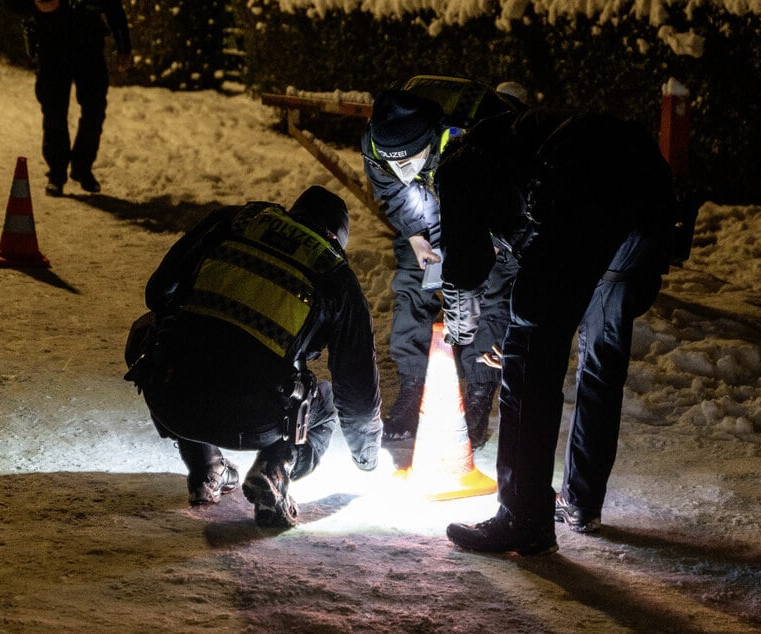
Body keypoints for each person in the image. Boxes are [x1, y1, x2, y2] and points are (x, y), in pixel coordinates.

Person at [435, 107, 676, 554]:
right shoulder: (519, 145)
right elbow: (528, 259)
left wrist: (462, 321)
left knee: (527, 360)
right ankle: (582, 502)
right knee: (600, 365)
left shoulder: (457, 169)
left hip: (585, 203)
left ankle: (522, 518)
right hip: (647, 210)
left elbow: (469, 265)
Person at [124, 186, 383, 528]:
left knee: (150, 330)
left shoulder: (235, 220)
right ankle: (277, 467)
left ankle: (206, 467)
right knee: (326, 402)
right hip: (254, 419)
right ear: (336, 239)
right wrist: (367, 459)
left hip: (172, 396)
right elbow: (358, 393)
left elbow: (157, 292)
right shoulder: (336, 276)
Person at [361, 79, 525, 450]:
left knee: (495, 286)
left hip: (487, 203)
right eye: (391, 163)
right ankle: (413, 384)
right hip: (431, 197)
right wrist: (418, 235)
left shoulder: (478, 138)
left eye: (407, 161)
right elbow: (392, 190)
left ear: (430, 143)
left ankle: (480, 389)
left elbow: (507, 205)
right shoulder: (377, 141)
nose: (398, 169)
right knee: (413, 281)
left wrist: (490, 244)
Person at [12, 0, 132, 196]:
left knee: (94, 109)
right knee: (54, 110)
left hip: (89, 44)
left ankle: (82, 167)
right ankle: (57, 173)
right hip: (52, 44)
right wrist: (35, 4)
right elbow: (14, 5)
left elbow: (113, 6)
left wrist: (124, 46)